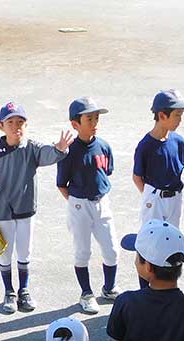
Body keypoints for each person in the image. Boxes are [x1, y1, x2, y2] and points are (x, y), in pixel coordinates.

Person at [0, 101, 72, 314]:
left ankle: (23, 290)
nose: (16, 127)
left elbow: (49, 154)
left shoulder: (32, 148)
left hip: (25, 212)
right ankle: (9, 292)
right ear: (1, 126)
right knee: (5, 254)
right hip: (2, 213)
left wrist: (60, 149)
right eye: (11, 122)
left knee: (24, 252)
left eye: (21, 122)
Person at [56, 96, 120, 314]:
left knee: (111, 249)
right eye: (89, 119)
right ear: (75, 124)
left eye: (96, 118)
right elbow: (61, 184)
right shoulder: (69, 151)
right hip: (79, 206)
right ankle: (86, 293)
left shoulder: (103, 146)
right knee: (82, 251)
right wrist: (76, 201)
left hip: (102, 202)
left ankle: (109, 288)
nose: (94, 122)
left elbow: (106, 172)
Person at [132, 90, 184, 231]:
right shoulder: (145, 146)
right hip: (155, 200)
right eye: (177, 115)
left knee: (172, 238)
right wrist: (152, 196)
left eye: (181, 115)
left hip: (175, 200)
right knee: (151, 239)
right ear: (161, 115)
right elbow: (137, 177)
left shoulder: (179, 142)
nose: (180, 120)